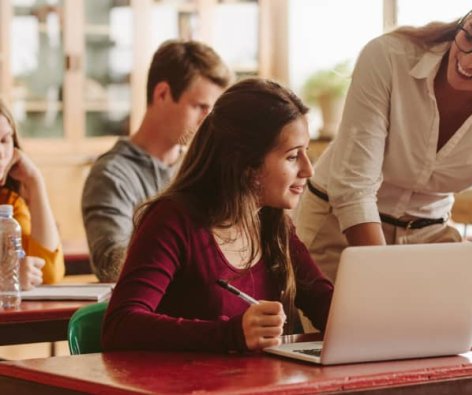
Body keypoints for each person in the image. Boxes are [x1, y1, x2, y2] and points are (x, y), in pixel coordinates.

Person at [294, 0, 472, 334]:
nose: (468, 60)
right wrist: (381, 282)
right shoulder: (389, 57)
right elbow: (354, 190)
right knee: (340, 349)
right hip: (338, 227)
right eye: (469, 36)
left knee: (434, 356)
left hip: (427, 239)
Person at [102, 78, 333, 352]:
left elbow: (325, 304)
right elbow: (120, 326)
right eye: (293, 156)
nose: (309, 170)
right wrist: (230, 334)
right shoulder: (172, 220)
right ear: (246, 163)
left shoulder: (273, 224)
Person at [82, 39, 230, 282]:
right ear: (162, 93)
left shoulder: (203, 168)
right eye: (199, 107)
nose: (208, 121)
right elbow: (110, 265)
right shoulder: (111, 175)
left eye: (211, 111)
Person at [0, 101, 64, 290]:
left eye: (4, 141)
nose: (1, 153)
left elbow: (48, 272)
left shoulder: (8, 204)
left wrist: (35, 182)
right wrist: (4, 279)